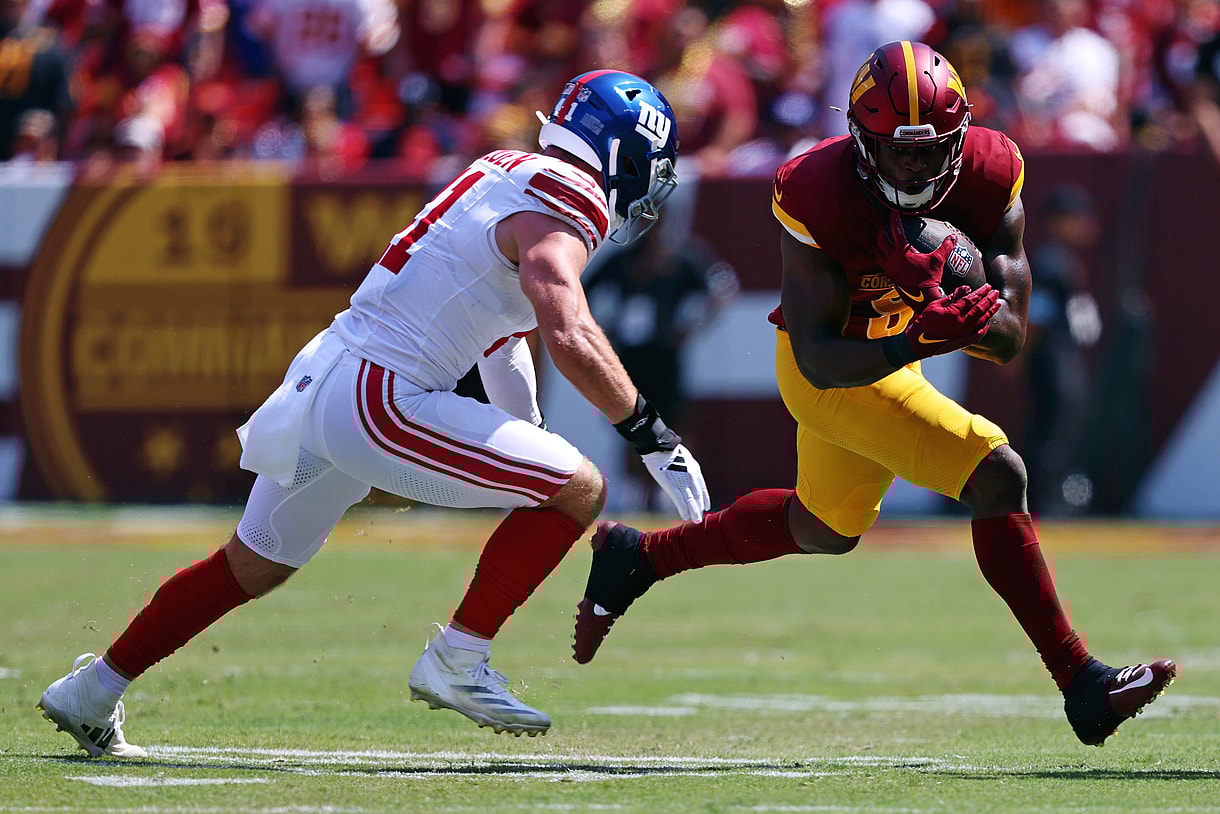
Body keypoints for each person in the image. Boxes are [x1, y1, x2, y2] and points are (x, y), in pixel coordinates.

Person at [37, 69, 710, 757]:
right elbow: (567, 329)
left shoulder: (504, 169)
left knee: (253, 563)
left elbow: (502, 332)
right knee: (582, 487)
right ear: (622, 151)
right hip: (382, 397)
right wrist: (651, 434)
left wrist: (529, 436)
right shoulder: (567, 195)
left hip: (328, 378)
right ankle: (457, 659)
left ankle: (92, 691)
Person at [571, 42, 1177, 748]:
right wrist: (918, 337)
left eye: (931, 151)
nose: (916, 168)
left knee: (825, 528)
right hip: (830, 368)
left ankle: (638, 558)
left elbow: (1009, 338)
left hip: (896, 349)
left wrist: (937, 299)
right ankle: (1083, 684)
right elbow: (821, 357)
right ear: (861, 139)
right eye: (898, 152)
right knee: (996, 472)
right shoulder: (814, 189)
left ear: (959, 138)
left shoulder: (989, 167)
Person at [1024, 184, 1102, 516]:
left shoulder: (1065, 260)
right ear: (1056, 221)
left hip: (1063, 354)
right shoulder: (1048, 261)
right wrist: (1020, 353)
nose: (1085, 225)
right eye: (1075, 218)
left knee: (1063, 424)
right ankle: (1042, 501)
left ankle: (1052, 497)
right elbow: (1038, 315)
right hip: (1051, 357)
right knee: (1052, 426)